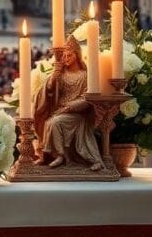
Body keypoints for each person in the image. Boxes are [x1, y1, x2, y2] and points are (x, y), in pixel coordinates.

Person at [33, 38, 104, 171]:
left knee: (55, 122)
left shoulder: (85, 76)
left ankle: (61, 155)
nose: (66, 58)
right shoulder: (61, 74)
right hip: (59, 111)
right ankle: (50, 155)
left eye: (69, 55)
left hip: (76, 114)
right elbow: (49, 90)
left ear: (77, 55)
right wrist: (55, 75)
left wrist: (69, 107)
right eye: (64, 56)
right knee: (49, 122)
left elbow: (88, 98)